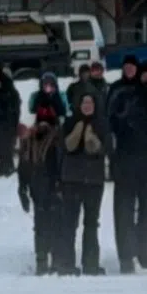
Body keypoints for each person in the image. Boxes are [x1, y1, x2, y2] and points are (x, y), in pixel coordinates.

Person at [109, 64, 147, 272]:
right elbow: (113, 123)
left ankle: (145, 255)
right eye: (143, 76)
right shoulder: (125, 97)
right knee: (124, 212)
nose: (146, 80)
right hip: (127, 163)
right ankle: (126, 257)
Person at [18, 98, 70, 274]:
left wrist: (60, 184)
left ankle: (56, 259)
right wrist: (22, 187)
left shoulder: (58, 138)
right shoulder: (30, 140)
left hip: (53, 185)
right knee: (41, 224)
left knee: (55, 223)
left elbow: (62, 163)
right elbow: (24, 165)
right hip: (37, 186)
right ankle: (42, 260)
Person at [60, 92, 109, 274]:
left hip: (94, 180)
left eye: (90, 102)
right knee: (69, 223)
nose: (87, 106)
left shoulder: (102, 124)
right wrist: (76, 134)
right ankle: (66, 263)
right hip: (71, 179)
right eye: (84, 102)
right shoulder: (69, 123)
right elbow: (63, 147)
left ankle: (90, 263)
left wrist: (94, 142)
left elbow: (107, 148)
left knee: (91, 223)